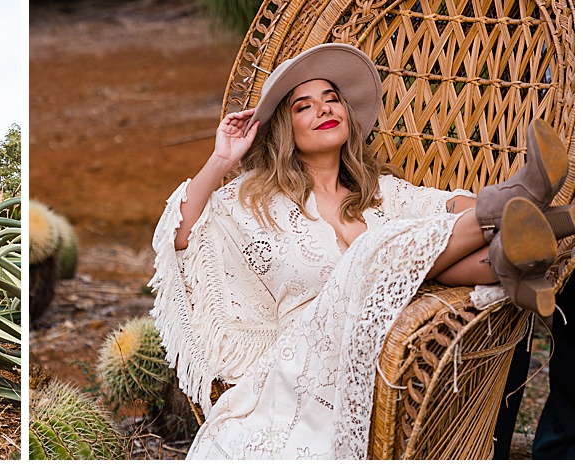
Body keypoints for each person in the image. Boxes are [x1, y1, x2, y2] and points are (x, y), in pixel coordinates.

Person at [150, 43, 572, 459]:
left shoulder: (378, 194)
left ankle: (519, 242)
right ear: (285, 129)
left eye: (332, 99)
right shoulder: (254, 201)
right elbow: (182, 236)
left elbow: (445, 208)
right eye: (304, 106)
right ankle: (520, 221)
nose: (324, 109)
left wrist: (487, 211)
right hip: (306, 360)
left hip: (387, 337)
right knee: (374, 250)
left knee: (410, 243)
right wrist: (222, 158)